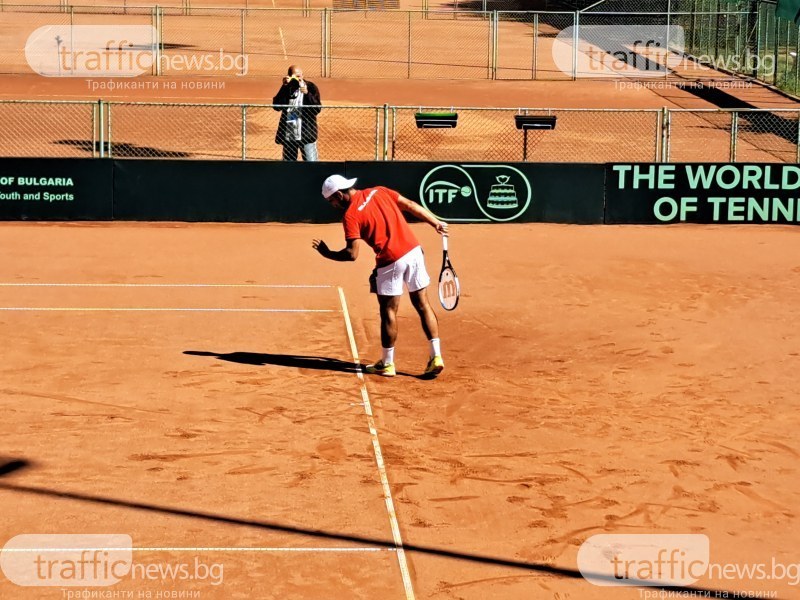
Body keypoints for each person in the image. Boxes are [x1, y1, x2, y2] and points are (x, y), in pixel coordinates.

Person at [312, 175, 448, 378]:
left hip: (391, 260)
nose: (332, 205)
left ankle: (387, 363)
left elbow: (352, 254)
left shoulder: (350, 216)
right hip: (414, 251)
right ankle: (436, 356)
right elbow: (409, 205)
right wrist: (434, 221)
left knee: (389, 311)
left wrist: (328, 253)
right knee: (423, 304)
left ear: (339, 195)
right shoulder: (379, 191)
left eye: (331, 201)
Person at [272, 65, 321, 161]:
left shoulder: (311, 87)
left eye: (299, 76)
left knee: (311, 163)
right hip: (289, 133)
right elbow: (276, 106)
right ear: (289, 76)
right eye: (294, 76)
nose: (297, 79)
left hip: (306, 133)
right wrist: (284, 87)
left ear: (303, 75)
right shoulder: (287, 88)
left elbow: (317, 109)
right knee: (289, 165)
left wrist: (307, 94)